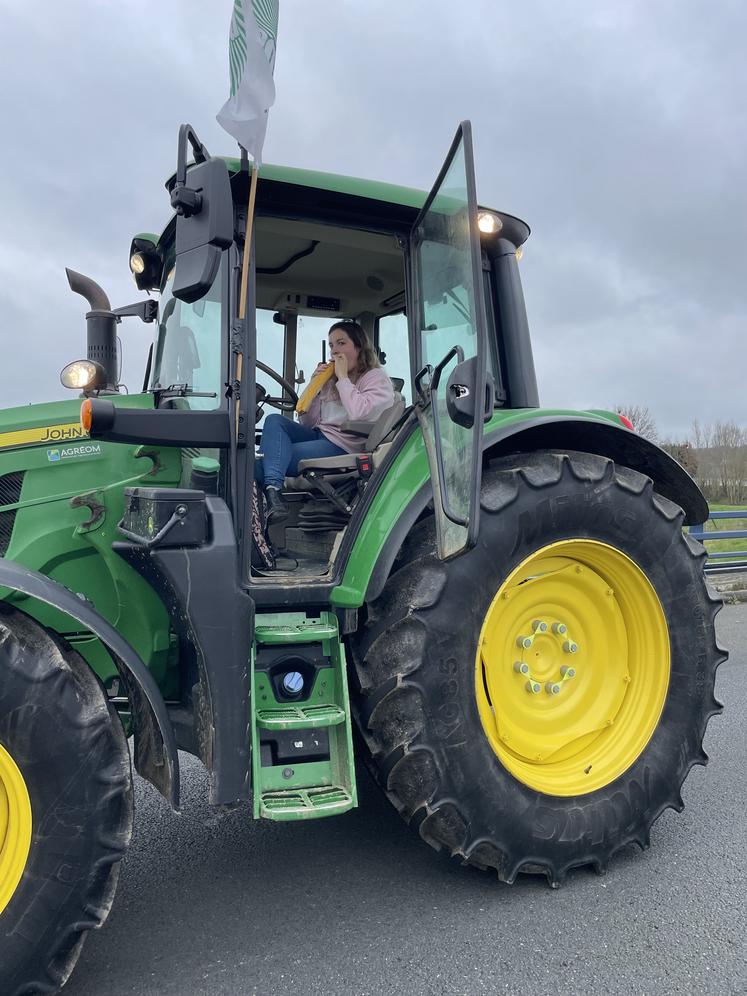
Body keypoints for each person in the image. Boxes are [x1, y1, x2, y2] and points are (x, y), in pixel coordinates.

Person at [256, 320, 395, 523]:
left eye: (341, 343)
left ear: (358, 347)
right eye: (331, 345)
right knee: (274, 421)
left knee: (254, 466)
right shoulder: (332, 381)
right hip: (320, 436)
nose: (334, 351)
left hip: (344, 445)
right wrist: (314, 388)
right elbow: (308, 423)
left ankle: (272, 495)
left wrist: (342, 379)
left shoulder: (375, 378)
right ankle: (274, 493)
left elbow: (359, 412)